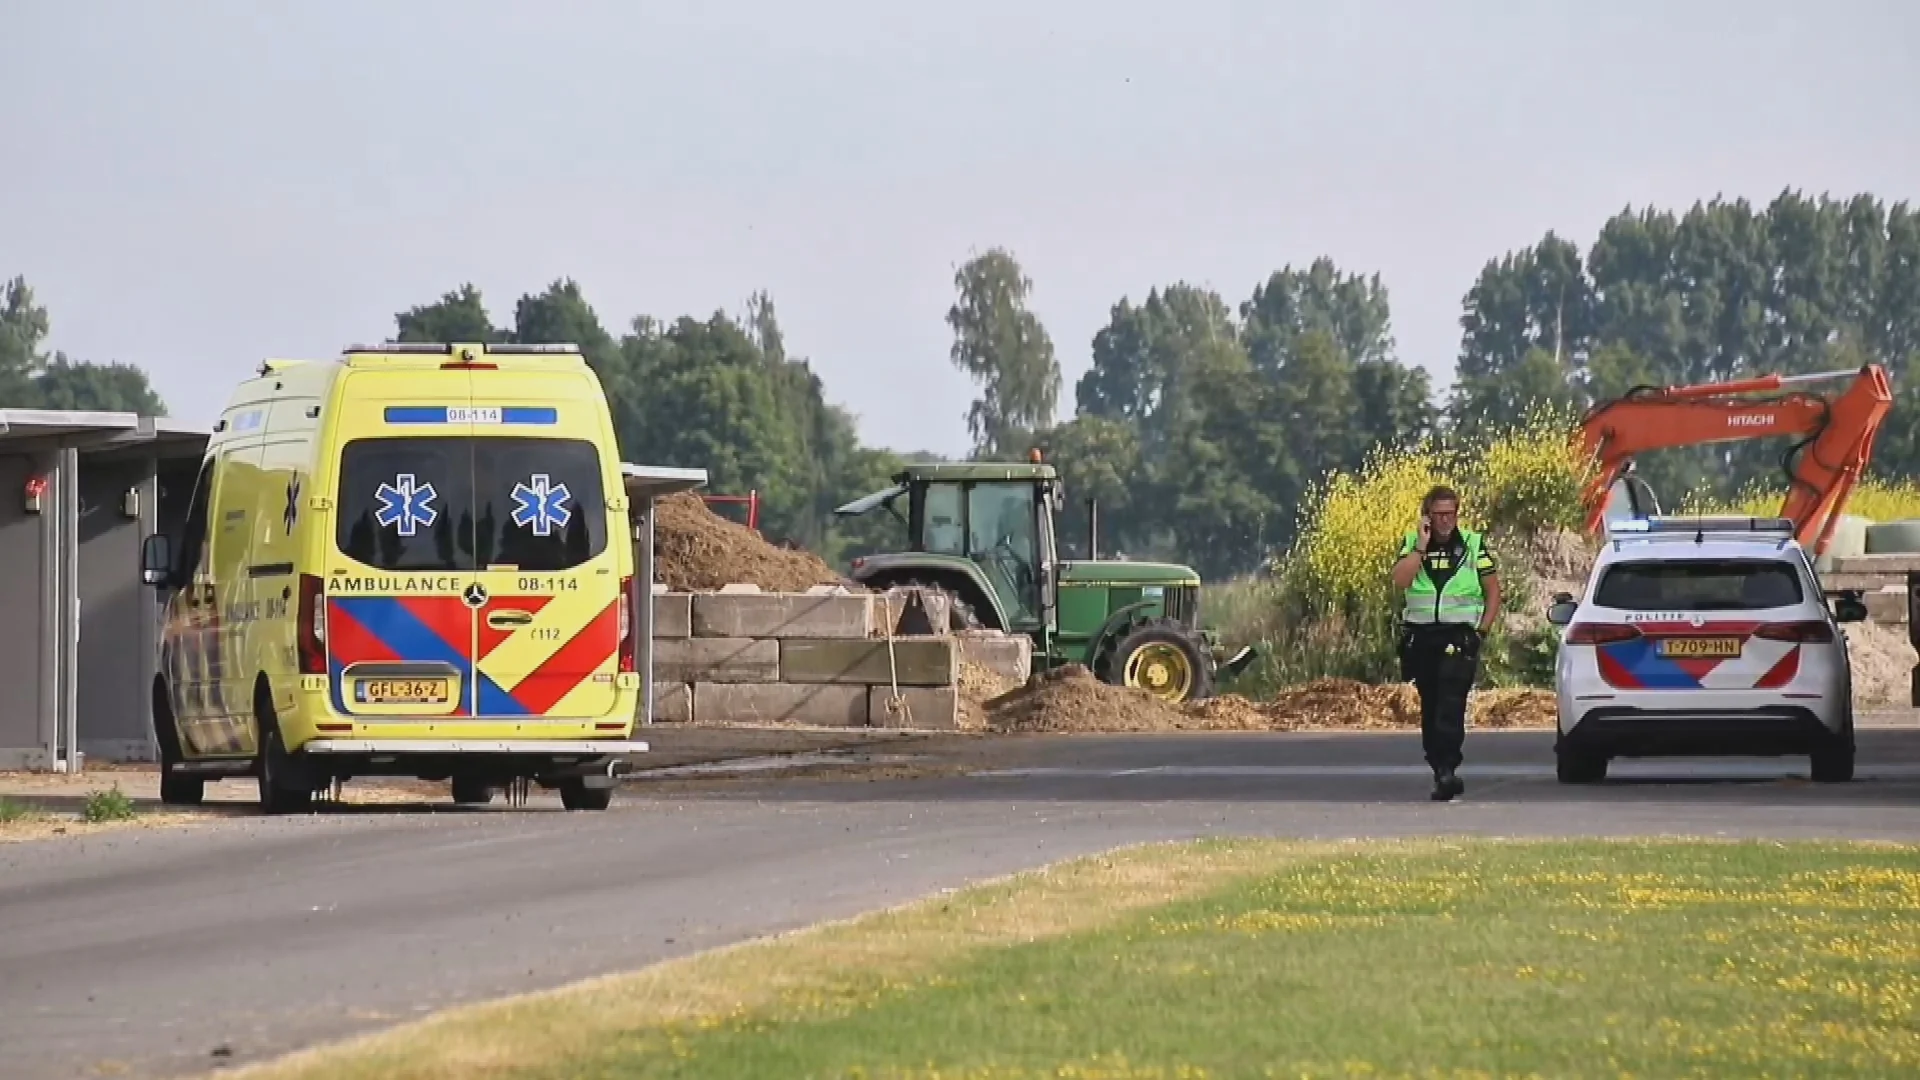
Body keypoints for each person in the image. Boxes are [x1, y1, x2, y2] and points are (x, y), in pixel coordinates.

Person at [1389, 485, 1501, 801]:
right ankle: (1439, 768)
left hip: (1459, 636)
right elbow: (1401, 580)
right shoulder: (1413, 544)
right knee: (1431, 704)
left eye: (1449, 514)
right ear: (1427, 516)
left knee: (1451, 704)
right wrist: (1421, 547)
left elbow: (1493, 591)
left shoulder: (1473, 545)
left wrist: (1482, 632)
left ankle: (1449, 768)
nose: (1444, 521)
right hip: (1423, 638)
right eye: (1438, 515)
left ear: (1457, 514)